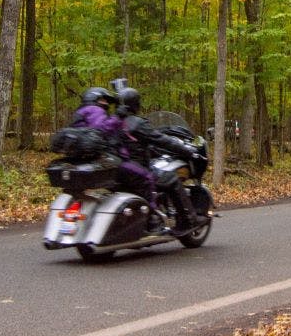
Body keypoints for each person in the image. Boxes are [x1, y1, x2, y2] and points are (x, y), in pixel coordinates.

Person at [71, 87, 164, 233]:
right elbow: (101, 130)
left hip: (87, 161)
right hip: (104, 160)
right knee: (147, 177)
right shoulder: (95, 110)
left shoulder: (80, 113)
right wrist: (117, 117)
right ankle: (153, 218)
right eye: (104, 100)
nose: (107, 104)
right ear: (95, 99)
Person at [115, 87, 203, 237]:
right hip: (137, 170)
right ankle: (189, 220)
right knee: (172, 180)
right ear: (136, 104)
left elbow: (135, 145)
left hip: (118, 171)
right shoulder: (137, 123)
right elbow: (162, 140)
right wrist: (188, 150)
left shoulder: (113, 123)